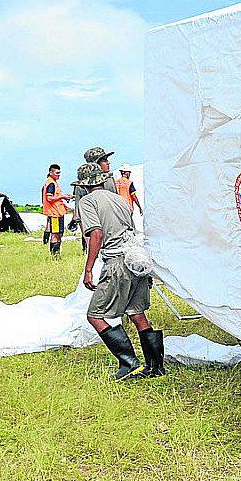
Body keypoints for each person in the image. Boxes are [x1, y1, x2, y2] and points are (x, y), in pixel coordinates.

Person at [76, 162, 165, 380]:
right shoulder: (119, 199)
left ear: (84, 185)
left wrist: (88, 269)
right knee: (136, 313)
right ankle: (156, 368)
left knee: (95, 315)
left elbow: (96, 234)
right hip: (136, 260)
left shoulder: (87, 202)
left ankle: (129, 363)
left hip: (117, 262)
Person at [71, 146, 117, 248]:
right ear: (95, 164)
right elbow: (80, 217)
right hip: (96, 231)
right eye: (104, 161)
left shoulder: (110, 179)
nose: (108, 163)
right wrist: (89, 243)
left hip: (114, 234)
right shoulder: (83, 185)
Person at [41, 164, 73, 259]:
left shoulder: (53, 182)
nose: (59, 175)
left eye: (60, 173)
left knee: (59, 233)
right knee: (55, 234)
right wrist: (63, 196)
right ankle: (55, 256)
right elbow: (49, 198)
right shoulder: (51, 183)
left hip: (58, 212)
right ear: (51, 172)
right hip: (54, 213)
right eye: (57, 173)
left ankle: (56, 254)